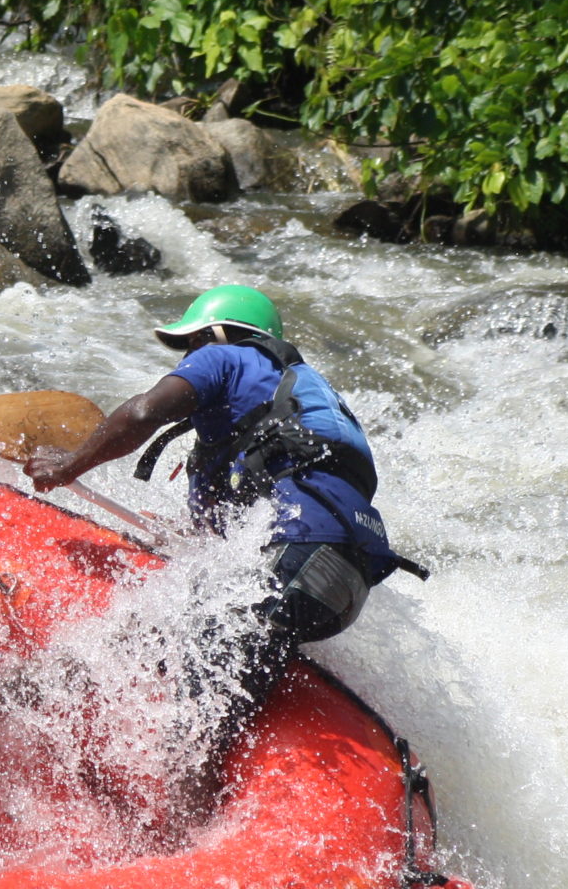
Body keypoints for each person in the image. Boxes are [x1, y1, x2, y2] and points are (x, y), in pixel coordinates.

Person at [24, 283, 426, 763]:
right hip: (341, 587)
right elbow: (221, 532)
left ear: (219, 334)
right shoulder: (305, 403)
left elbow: (143, 411)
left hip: (294, 559)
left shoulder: (225, 357)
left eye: (192, 342)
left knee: (194, 737)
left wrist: (68, 466)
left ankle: (172, 818)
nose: (187, 358)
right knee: (144, 636)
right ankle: (24, 707)